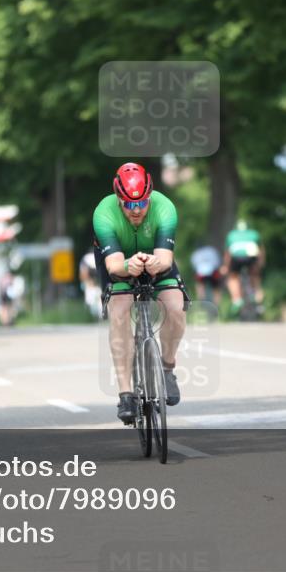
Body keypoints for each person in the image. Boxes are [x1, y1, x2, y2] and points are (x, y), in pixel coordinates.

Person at [94, 162, 185, 423]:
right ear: (118, 199)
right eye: (130, 205)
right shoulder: (104, 212)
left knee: (176, 308)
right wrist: (127, 266)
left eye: (142, 203)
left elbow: (166, 259)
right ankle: (126, 392)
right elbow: (113, 265)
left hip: (155, 258)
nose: (137, 210)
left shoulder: (165, 207)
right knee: (120, 311)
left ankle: (167, 369)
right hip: (118, 261)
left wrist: (156, 263)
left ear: (150, 197)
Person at [222, 220, 265, 316]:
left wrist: (226, 267)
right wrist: (260, 265)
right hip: (251, 258)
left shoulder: (231, 235)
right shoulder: (254, 234)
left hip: (236, 258)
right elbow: (261, 251)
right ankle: (257, 298)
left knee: (232, 277)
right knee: (255, 277)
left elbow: (227, 254)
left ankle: (237, 299)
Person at [190, 243, 223, 308]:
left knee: (199, 285)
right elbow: (217, 262)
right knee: (216, 287)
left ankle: (201, 300)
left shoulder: (195, 253)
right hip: (212, 272)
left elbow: (194, 266)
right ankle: (217, 304)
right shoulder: (211, 250)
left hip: (201, 274)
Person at [79, 251, 102, 319]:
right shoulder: (87, 258)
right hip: (94, 279)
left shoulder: (86, 259)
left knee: (93, 298)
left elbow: (83, 272)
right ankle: (94, 315)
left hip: (93, 280)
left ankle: (94, 315)